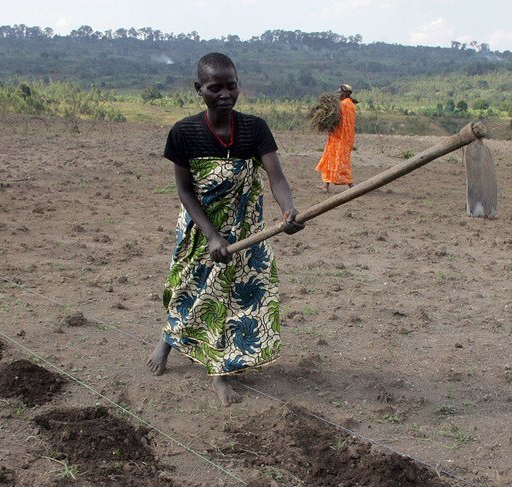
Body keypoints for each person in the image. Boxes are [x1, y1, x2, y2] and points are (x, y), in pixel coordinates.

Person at [146, 53, 305, 406]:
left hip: (247, 230)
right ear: (198, 88)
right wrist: (213, 236)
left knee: (238, 298)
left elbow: (276, 177)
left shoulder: (254, 128)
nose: (224, 94)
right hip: (201, 229)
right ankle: (167, 341)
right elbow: (185, 191)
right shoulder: (184, 132)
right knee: (191, 291)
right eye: (214, 87)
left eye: (231, 85)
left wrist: (288, 210)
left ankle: (222, 372)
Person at [316, 84, 357, 192]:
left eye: (340, 93)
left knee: (342, 162)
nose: (338, 94)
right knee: (329, 159)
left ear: (345, 93)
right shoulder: (350, 104)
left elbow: (332, 113)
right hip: (338, 137)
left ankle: (352, 186)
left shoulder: (345, 104)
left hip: (341, 139)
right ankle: (325, 186)